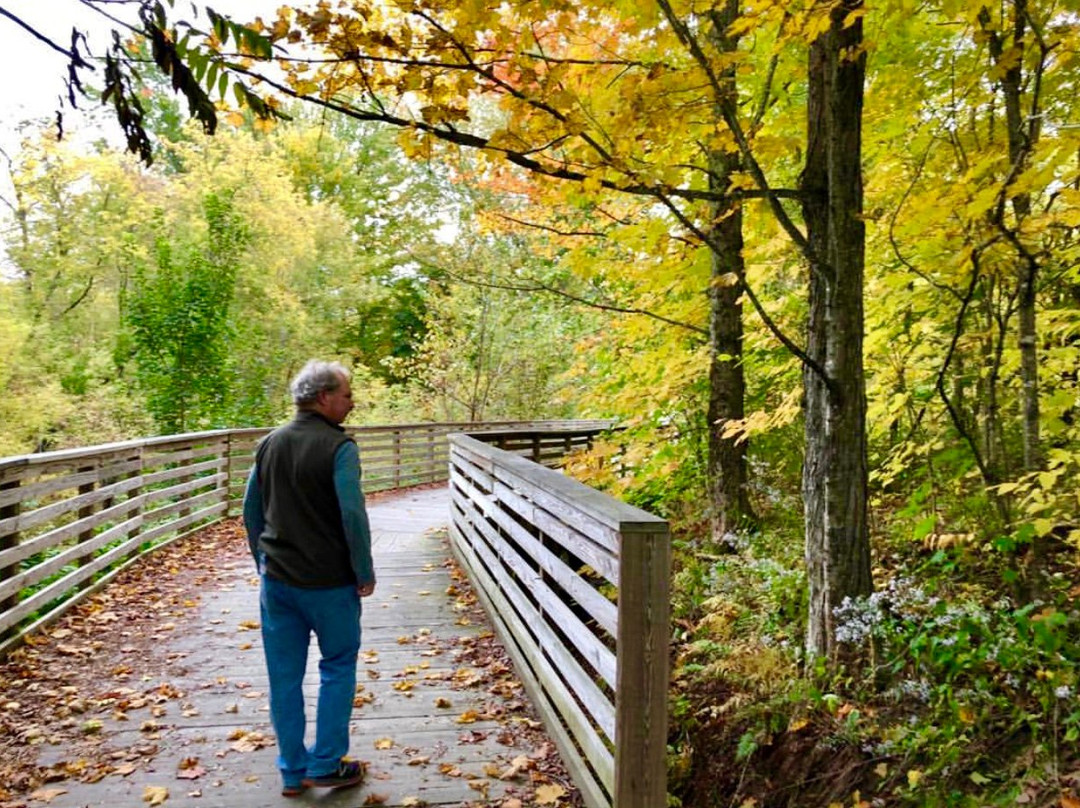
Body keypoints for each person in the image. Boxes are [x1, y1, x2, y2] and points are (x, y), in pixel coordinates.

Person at [242, 360, 376, 798]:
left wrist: (262, 561)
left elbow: (251, 511)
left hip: (278, 582)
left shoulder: (269, 444)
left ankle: (291, 771)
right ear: (324, 398)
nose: (351, 403)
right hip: (330, 584)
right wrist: (364, 570)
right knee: (337, 666)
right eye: (346, 394)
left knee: (284, 676)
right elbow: (352, 514)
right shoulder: (340, 448)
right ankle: (326, 763)